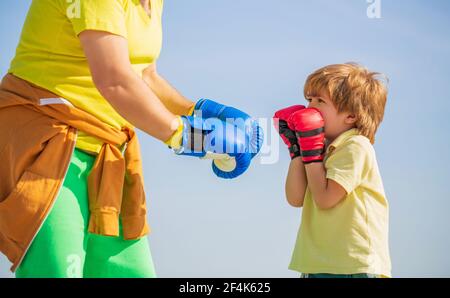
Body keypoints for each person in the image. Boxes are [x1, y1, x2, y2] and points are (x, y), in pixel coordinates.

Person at [0, 0, 261, 278]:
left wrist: (201, 110)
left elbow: (144, 74)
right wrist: (193, 137)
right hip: (48, 146)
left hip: (108, 156)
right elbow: (114, 78)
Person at [273, 63, 391, 278]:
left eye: (320, 101)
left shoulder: (356, 146)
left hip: (353, 264)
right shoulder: (321, 151)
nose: (309, 107)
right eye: (309, 99)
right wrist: (298, 150)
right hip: (315, 263)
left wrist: (311, 154)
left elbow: (325, 199)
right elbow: (295, 198)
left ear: (351, 116)